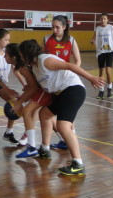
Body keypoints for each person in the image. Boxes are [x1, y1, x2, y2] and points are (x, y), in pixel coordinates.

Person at [16, 39, 104, 175]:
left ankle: (78, 163)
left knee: (63, 126)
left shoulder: (45, 60)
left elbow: (70, 66)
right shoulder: (34, 67)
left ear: (27, 53)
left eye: (21, 54)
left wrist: (90, 77)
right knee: (44, 114)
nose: (20, 57)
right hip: (61, 93)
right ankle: (44, 150)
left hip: (73, 90)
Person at [43, 15, 81, 151]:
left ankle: (71, 139)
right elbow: (42, 58)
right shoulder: (47, 39)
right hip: (52, 82)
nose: (55, 29)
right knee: (49, 112)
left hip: (65, 80)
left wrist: (72, 73)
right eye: (52, 27)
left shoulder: (71, 40)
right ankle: (63, 140)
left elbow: (78, 60)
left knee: (66, 113)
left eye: (57, 27)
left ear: (64, 27)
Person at [90, 13, 113, 99]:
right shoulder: (97, 29)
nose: (103, 20)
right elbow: (93, 39)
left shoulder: (111, 27)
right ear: (100, 20)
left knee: (108, 70)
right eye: (101, 19)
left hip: (109, 51)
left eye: (104, 19)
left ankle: (109, 89)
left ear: (107, 20)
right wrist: (92, 41)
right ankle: (101, 91)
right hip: (100, 52)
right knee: (101, 72)